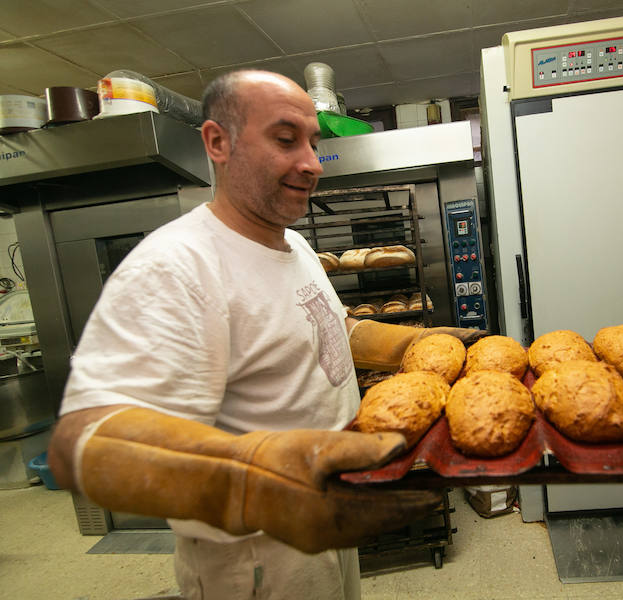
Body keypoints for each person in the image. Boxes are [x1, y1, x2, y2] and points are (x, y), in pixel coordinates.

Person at [47, 70, 482, 600]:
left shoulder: (295, 247)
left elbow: (330, 331)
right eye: (285, 140)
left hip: (328, 515)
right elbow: (89, 444)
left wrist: (410, 346)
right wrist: (257, 488)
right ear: (218, 142)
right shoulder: (176, 266)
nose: (313, 163)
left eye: (314, 144)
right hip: (255, 549)